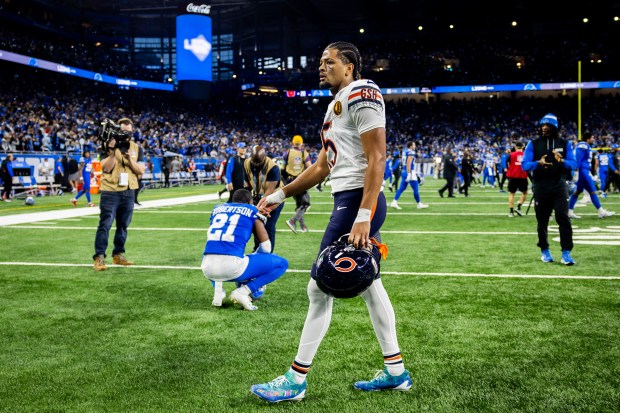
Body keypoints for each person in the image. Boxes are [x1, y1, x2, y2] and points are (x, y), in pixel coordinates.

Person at [252, 41, 411, 403]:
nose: (321, 67)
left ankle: (296, 379)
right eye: (320, 62)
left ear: (350, 66)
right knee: (371, 285)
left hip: (358, 200)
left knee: (318, 286)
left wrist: (364, 216)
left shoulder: (363, 92)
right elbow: (324, 165)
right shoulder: (337, 103)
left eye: (329, 61)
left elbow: (378, 157)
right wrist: (280, 194)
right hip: (350, 197)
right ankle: (396, 371)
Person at [201, 189, 288, 310]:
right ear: (250, 201)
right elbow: (266, 248)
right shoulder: (252, 211)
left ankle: (219, 291)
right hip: (233, 267)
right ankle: (243, 291)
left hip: (208, 269)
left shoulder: (217, 209)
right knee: (282, 264)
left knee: (212, 250)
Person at [521, 113, 578, 265]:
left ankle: (566, 252)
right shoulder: (533, 143)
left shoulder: (564, 143)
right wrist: (537, 163)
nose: (544, 128)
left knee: (563, 218)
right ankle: (544, 250)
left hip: (559, 186)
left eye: (548, 125)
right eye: (542, 125)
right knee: (542, 221)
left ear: (554, 127)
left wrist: (562, 160)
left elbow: (574, 164)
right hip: (541, 187)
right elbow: (524, 165)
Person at [92, 118, 145, 271]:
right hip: (110, 191)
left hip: (129, 190)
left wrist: (129, 160)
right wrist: (113, 152)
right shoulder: (106, 146)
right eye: (123, 132)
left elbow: (141, 171)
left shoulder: (136, 148)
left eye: (129, 132)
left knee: (123, 226)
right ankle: (99, 257)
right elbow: (106, 168)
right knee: (105, 225)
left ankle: (118, 255)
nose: (126, 135)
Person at [244, 145, 285, 252]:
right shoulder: (247, 163)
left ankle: (268, 253)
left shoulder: (273, 167)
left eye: (259, 162)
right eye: (254, 161)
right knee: (256, 224)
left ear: (265, 157)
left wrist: (259, 208)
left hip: (274, 199)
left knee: (268, 226)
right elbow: (247, 184)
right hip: (257, 196)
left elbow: (269, 192)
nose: (256, 164)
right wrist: (249, 202)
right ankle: (257, 250)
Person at [567, 132, 615, 219]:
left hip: (584, 170)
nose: (593, 139)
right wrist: (576, 171)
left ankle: (569, 212)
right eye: (592, 137)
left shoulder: (586, 145)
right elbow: (578, 158)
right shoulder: (583, 145)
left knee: (577, 192)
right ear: (588, 139)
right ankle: (601, 212)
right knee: (592, 191)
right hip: (583, 171)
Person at [283, 135, 313, 233]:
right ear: (301, 143)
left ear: (292, 143)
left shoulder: (287, 152)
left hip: (290, 182)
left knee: (300, 204)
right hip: (300, 181)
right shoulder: (304, 154)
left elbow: (283, 167)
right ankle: (292, 221)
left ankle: (302, 226)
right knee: (305, 204)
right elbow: (310, 168)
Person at [390, 141, 428, 209]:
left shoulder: (405, 151)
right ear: (410, 146)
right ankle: (419, 204)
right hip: (409, 172)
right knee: (415, 188)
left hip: (404, 171)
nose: (415, 146)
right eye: (414, 145)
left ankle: (394, 202)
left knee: (402, 188)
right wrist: (409, 174)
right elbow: (408, 163)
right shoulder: (411, 152)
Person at [506, 142, 528, 217]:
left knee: (512, 193)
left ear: (515, 147)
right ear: (523, 147)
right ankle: (518, 206)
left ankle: (511, 212)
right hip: (522, 176)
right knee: (525, 193)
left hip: (513, 176)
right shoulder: (526, 154)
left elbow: (508, 164)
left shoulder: (511, 154)